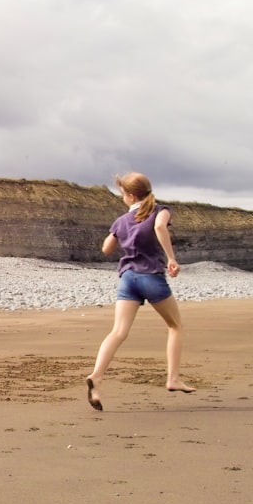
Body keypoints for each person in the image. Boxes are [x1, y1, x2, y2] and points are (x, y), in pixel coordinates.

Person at [86, 172, 195, 411]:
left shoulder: (121, 220)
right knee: (175, 326)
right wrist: (171, 259)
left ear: (131, 195)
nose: (122, 198)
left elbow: (106, 249)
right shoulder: (161, 210)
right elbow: (159, 227)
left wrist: (120, 232)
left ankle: (97, 376)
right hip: (150, 277)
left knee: (118, 332)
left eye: (123, 194)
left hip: (127, 279)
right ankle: (173, 378)